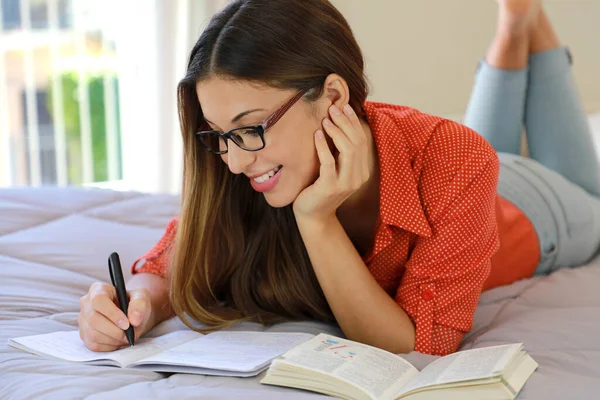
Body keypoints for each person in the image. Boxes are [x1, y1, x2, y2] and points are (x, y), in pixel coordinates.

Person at [78, 0, 600, 356]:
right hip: (473, 176)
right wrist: (134, 303)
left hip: (542, 210)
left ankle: (519, 25)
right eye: (218, 135)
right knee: (484, 146)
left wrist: (316, 218)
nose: (235, 162)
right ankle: (516, 25)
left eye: (250, 129)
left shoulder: (456, 159)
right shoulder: (250, 161)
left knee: (576, 187)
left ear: (332, 97)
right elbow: (172, 261)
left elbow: (417, 345)